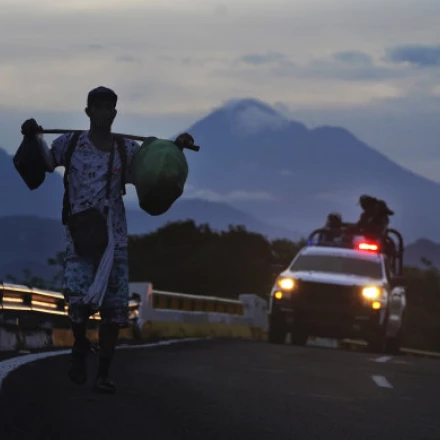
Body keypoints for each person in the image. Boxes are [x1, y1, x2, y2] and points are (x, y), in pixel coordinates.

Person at [20, 86, 195, 394]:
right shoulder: (69, 144)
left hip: (114, 239)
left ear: (115, 113)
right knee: (77, 300)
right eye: (98, 107)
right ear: (88, 112)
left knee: (113, 310)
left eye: (109, 108)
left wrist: (176, 146)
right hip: (79, 236)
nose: (104, 112)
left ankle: (103, 373)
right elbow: (45, 162)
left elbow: (154, 165)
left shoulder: (126, 150)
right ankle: (78, 344)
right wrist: (32, 136)